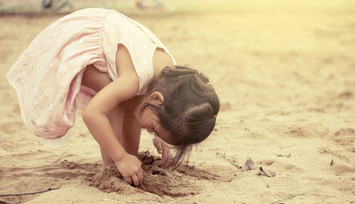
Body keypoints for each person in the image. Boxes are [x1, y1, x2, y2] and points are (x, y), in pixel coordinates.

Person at [7, 8, 219, 187]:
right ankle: (111, 168)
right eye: (153, 129)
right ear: (157, 99)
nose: (150, 130)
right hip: (75, 42)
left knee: (133, 102)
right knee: (116, 99)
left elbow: (150, 111)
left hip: (108, 43)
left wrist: (161, 135)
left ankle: (128, 157)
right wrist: (120, 158)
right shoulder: (137, 78)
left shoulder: (170, 80)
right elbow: (93, 113)